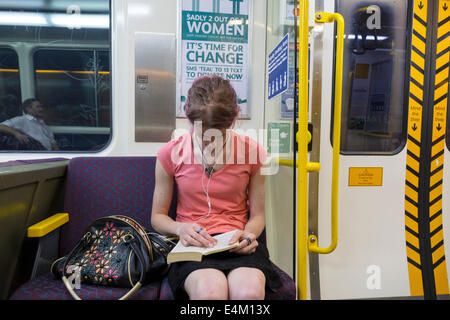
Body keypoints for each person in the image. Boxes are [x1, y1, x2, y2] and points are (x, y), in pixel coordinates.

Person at [151, 75, 281, 300]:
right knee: (210, 292)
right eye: (203, 135)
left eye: (218, 135)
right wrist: (180, 229)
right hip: (192, 243)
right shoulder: (170, 154)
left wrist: (249, 235)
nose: (209, 143)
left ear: (233, 120)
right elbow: (158, 217)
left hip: (238, 240)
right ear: (188, 117)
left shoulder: (252, 153)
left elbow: (258, 215)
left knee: (248, 292)